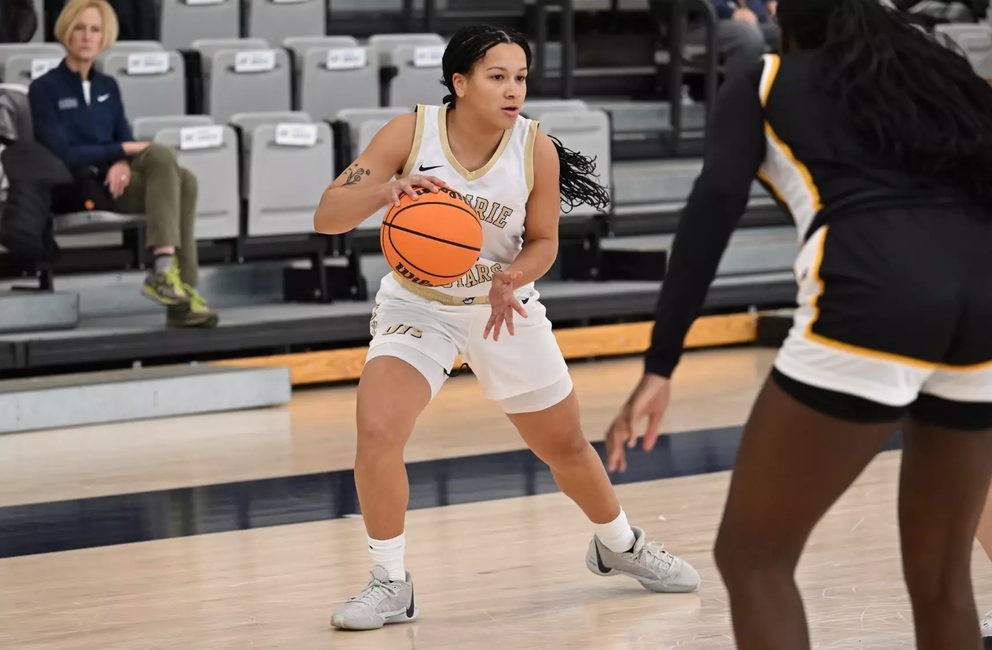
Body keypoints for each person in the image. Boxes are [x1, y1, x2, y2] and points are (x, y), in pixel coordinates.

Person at [605, 0, 992, 648]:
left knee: (754, 557)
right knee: (944, 578)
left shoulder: (763, 75)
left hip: (874, 293)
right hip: (984, 294)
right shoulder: (937, 69)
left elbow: (711, 212)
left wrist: (660, 363)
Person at [313, 24, 700, 632]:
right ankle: (390, 582)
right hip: (419, 304)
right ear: (460, 83)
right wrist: (388, 189)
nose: (513, 88)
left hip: (501, 304)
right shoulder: (409, 133)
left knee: (566, 447)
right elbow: (327, 215)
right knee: (377, 431)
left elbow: (544, 242)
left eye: (520, 77)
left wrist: (512, 276)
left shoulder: (534, 148)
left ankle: (618, 545)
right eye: (497, 76)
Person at [29, 0, 217, 328]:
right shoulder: (44, 89)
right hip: (76, 186)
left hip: (113, 184)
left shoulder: (107, 87)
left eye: (95, 30)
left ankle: (177, 287)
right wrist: (119, 151)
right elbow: (62, 153)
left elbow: (122, 139)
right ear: (66, 32)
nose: (87, 36)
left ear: (104, 37)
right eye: (80, 28)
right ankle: (169, 279)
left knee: (184, 178)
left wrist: (121, 162)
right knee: (160, 156)